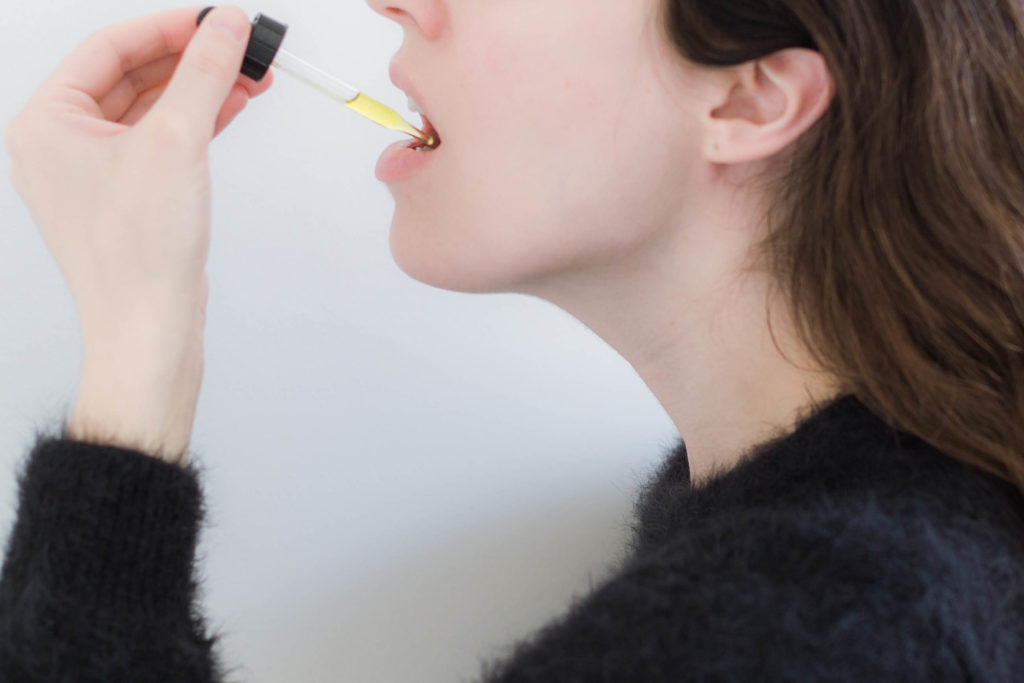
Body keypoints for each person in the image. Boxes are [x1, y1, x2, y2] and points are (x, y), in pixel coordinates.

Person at [2, 0, 1024, 680]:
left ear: (749, 96)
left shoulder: (791, 632)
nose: (396, 3)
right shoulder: (902, 548)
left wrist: (135, 351)